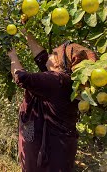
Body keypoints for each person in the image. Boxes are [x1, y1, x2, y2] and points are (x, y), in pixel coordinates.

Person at [7, 29, 98, 172]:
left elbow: (21, 78)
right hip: (58, 151)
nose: (50, 54)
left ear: (59, 63)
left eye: (54, 54)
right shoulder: (67, 80)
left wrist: (13, 56)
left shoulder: (57, 81)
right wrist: (25, 32)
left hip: (47, 156)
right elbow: (42, 57)